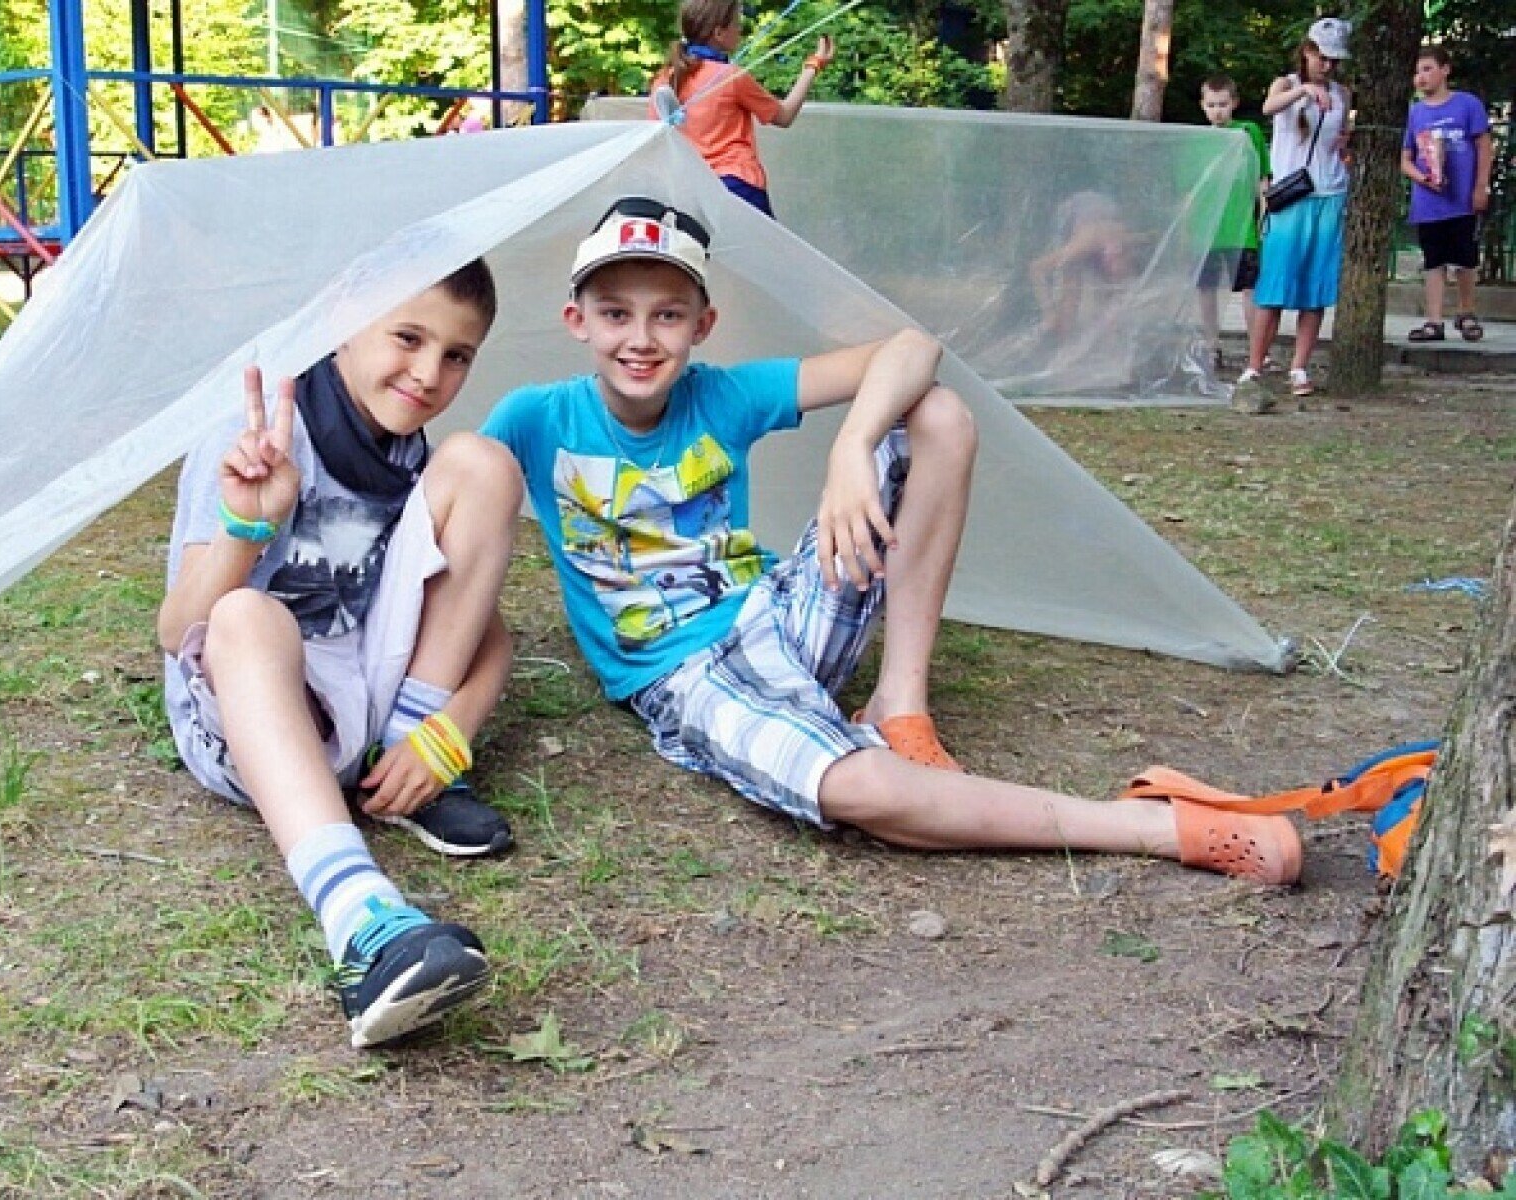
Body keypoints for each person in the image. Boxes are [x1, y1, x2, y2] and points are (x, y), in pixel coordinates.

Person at [481, 195, 1302, 886]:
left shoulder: (721, 394)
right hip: (684, 671)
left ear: (703, 324)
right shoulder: (536, 417)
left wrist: (852, 444)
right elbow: (459, 495)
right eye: (615, 313)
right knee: (864, 790)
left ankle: (898, 702)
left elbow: (914, 349)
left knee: (936, 413)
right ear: (575, 320)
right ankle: (1152, 824)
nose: (640, 338)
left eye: (666, 315)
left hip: (779, 611)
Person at [157, 261, 523, 1049]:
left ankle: (401, 773)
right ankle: (361, 921)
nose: (427, 373)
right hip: (255, 716)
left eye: (456, 355)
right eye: (407, 337)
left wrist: (447, 734)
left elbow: (490, 635)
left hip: (368, 705)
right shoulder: (259, 434)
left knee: (484, 462)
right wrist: (247, 526)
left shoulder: (414, 457)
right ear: (341, 321)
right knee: (245, 614)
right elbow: (178, 628)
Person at [1233, 18, 1352, 413]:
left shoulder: (1342, 94)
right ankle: (1255, 365)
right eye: (1322, 57)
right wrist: (1303, 91)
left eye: (1334, 60)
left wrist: (1344, 147)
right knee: (1275, 283)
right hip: (1291, 194)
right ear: (1307, 51)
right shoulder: (1285, 84)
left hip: (1328, 193)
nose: (1328, 66)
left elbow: (1338, 140)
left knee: (1315, 286)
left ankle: (1299, 367)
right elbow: (1268, 108)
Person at [652, 0, 834, 218]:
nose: (740, 30)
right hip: (738, 187)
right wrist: (814, 64)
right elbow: (784, 116)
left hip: (687, 193)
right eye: (736, 24)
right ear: (719, 33)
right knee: (764, 242)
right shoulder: (731, 77)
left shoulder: (663, 80)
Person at [1401, 45, 1492, 344]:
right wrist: (1423, 178)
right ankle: (1434, 321)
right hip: (1429, 203)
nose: (1421, 77)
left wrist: (1480, 186)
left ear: (1445, 70)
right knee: (1433, 260)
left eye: (1427, 69)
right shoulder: (1415, 112)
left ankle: (1467, 313)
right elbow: (1405, 158)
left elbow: (1483, 147)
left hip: (1462, 199)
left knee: (1465, 259)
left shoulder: (1467, 104)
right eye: (1417, 71)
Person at [1195, 75, 1270, 372]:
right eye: (1212, 105)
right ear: (1203, 106)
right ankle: (1211, 345)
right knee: (1206, 289)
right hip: (1207, 231)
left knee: (1251, 288)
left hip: (1242, 230)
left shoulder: (1248, 132)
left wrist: (1264, 212)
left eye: (1223, 104)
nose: (1217, 111)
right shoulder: (1198, 141)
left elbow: (1262, 177)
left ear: (1234, 103)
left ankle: (1256, 352)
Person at [1027, 191, 1144, 342]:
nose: (1115, 273)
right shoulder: (1082, 245)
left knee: (1113, 291)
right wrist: (1048, 311)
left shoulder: (1127, 242)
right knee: (1071, 284)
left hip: (1104, 210)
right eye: (1113, 267)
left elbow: (1152, 237)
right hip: (1072, 213)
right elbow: (1035, 268)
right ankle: (1063, 336)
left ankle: (1108, 332)